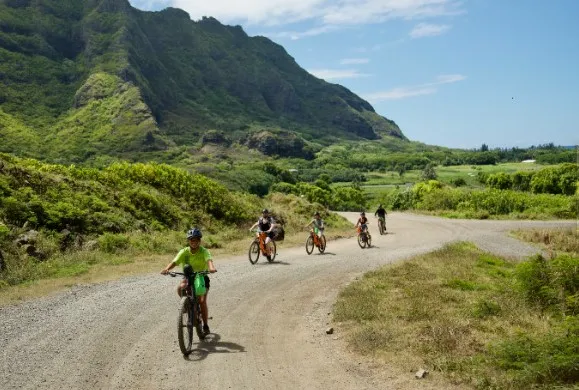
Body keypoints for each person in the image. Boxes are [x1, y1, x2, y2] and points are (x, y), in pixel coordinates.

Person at [161, 228, 217, 335]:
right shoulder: (184, 252)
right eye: (192, 240)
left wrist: (211, 268)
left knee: (202, 301)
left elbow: (209, 261)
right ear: (188, 241)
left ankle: (205, 325)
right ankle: (186, 305)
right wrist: (167, 269)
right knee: (180, 288)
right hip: (188, 277)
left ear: (199, 241)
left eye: (196, 240)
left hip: (201, 278)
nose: (194, 242)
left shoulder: (204, 251)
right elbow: (174, 262)